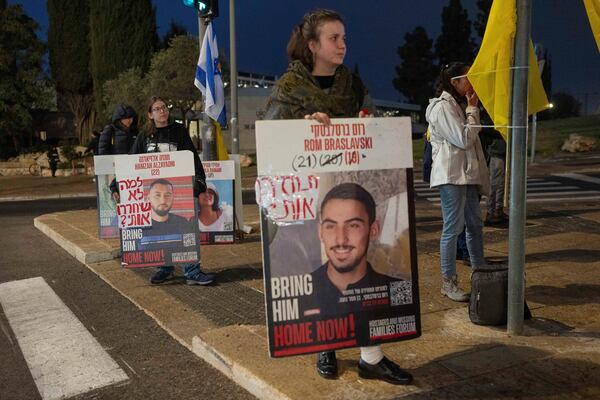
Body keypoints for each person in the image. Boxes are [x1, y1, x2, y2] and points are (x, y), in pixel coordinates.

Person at [264, 9, 411, 385]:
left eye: (344, 38)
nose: (343, 45)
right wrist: (303, 130)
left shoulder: (353, 84)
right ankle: (325, 346)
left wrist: (366, 125)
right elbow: (271, 142)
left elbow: (372, 126)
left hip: (350, 194)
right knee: (322, 275)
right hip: (306, 202)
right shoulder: (288, 87)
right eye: (334, 38)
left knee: (363, 277)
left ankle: (370, 356)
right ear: (313, 45)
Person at [129, 95, 214, 286]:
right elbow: (131, 161)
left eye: (164, 107)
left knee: (186, 230)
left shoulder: (179, 131)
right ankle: (165, 268)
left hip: (181, 192)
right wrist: (116, 185)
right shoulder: (144, 136)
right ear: (150, 114)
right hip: (156, 196)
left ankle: (192, 271)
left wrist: (200, 180)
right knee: (159, 232)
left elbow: (191, 157)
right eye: (157, 109)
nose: (162, 111)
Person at [425, 62, 490, 302]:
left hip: (466, 174)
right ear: (455, 82)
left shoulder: (458, 106)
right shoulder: (443, 108)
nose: (472, 81)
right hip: (451, 176)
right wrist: (473, 109)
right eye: (468, 77)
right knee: (452, 229)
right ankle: (448, 282)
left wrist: (471, 108)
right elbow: (464, 139)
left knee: (475, 225)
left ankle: (480, 272)